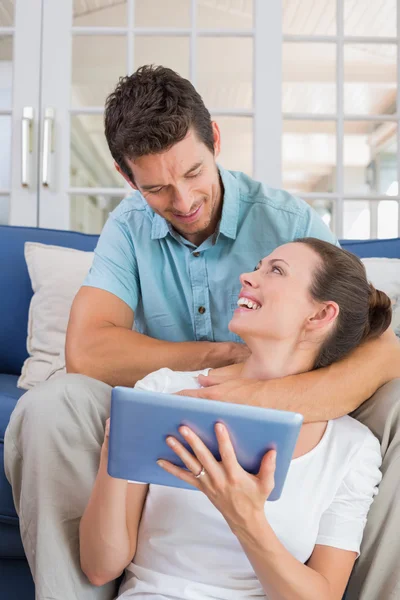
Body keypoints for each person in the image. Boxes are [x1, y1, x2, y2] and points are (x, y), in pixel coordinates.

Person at [4, 65, 400, 600]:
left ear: (214, 140)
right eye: (158, 188)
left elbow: (369, 339)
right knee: (50, 404)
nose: (184, 200)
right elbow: (88, 352)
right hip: (175, 397)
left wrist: (261, 395)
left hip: (293, 397)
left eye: (193, 172)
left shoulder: (289, 222)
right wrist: (221, 363)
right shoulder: (128, 229)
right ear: (128, 178)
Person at [80, 238, 388, 599]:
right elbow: (100, 567)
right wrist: (114, 451)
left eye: (275, 270)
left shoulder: (351, 449)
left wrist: (245, 517)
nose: (247, 276)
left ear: (320, 315)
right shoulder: (164, 391)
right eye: (258, 265)